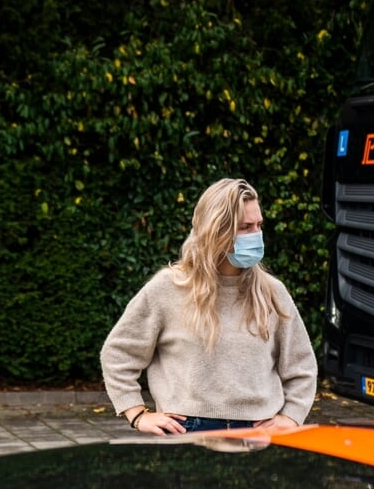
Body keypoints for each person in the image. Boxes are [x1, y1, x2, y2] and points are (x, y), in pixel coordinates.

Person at [102, 178, 317, 434]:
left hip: (260, 434)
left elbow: (302, 366)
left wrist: (291, 416)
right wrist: (137, 415)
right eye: (245, 227)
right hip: (187, 432)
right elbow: (118, 354)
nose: (256, 235)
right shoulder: (168, 288)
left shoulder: (272, 292)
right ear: (216, 230)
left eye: (259, 225)